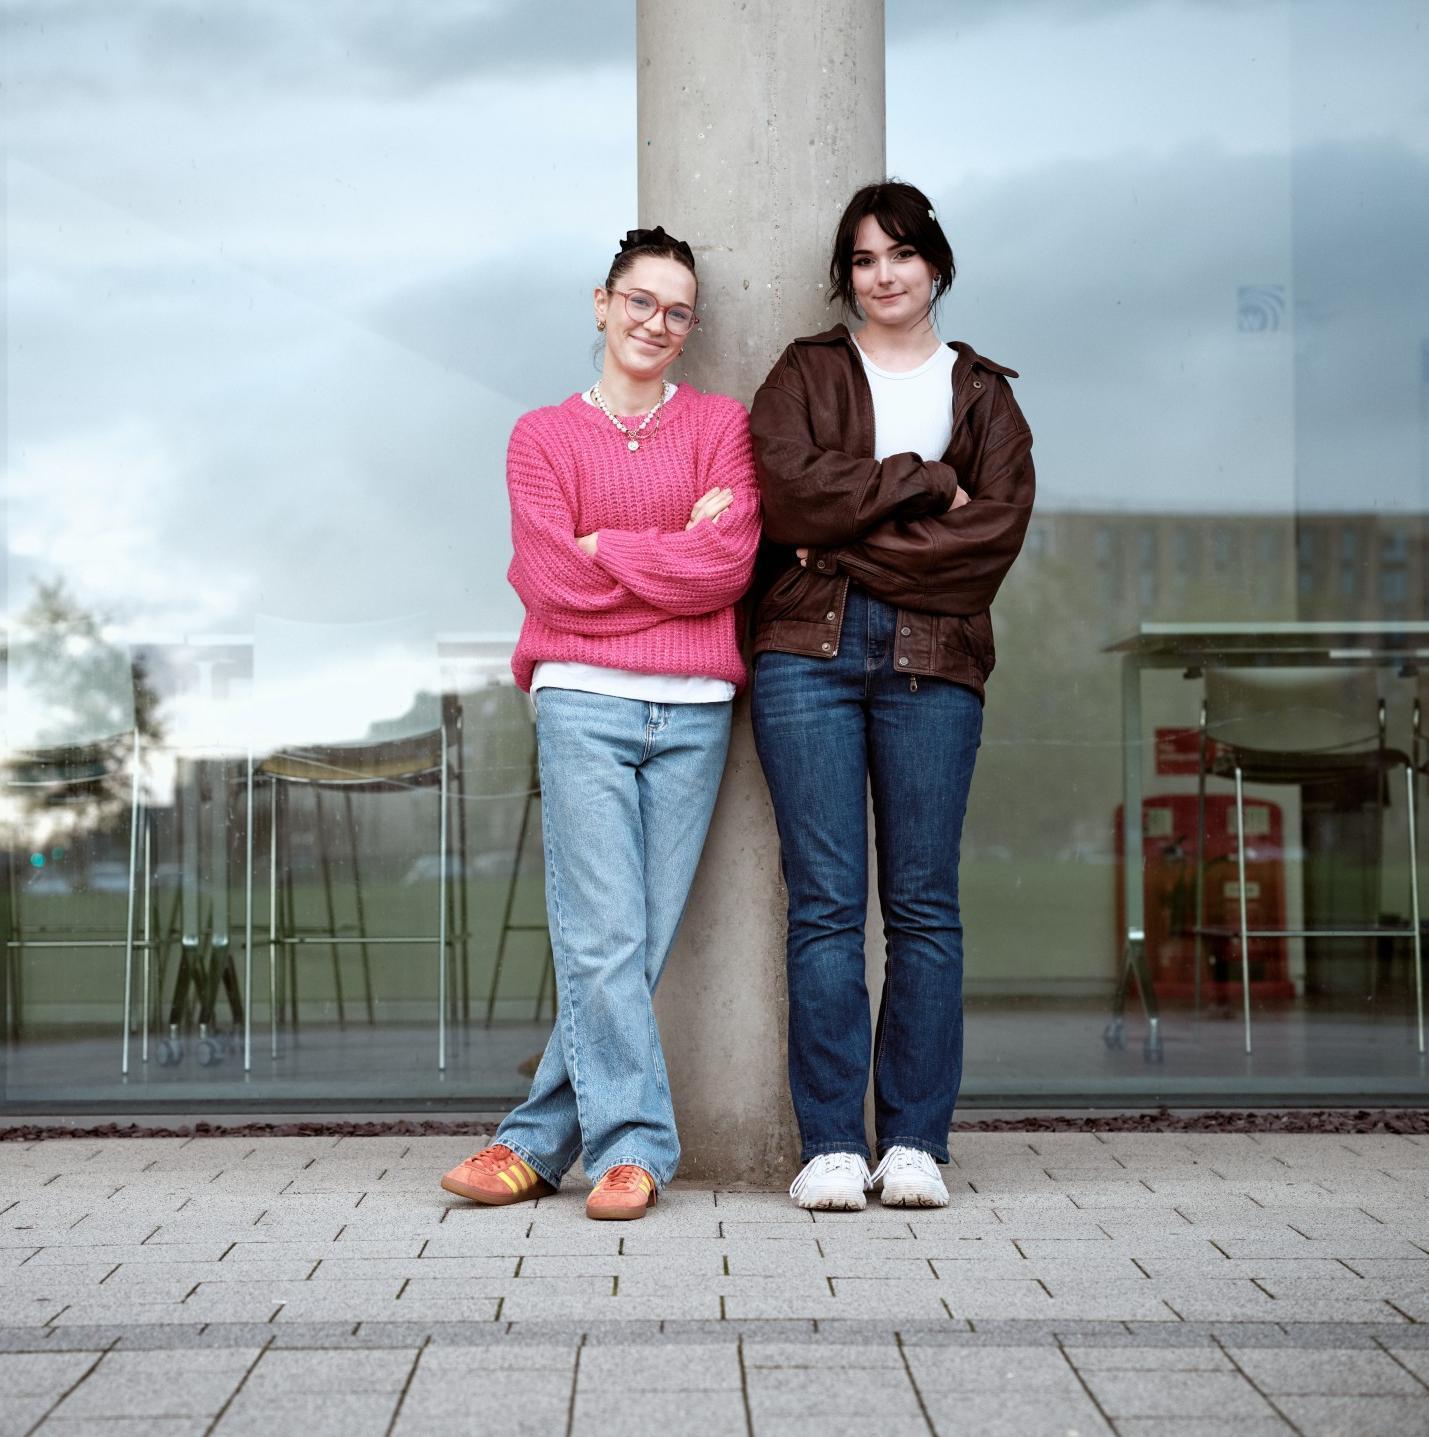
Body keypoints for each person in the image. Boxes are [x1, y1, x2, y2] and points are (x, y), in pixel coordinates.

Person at [439, 226, 760, 1221]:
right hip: (580, 700)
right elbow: (548, 580)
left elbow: (732, 566)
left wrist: (606, 544)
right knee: (602, 938)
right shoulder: (541, 436)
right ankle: (634, 1148)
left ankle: (533, 1141)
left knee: (631, 942)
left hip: (698, 713)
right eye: (639, 301)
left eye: (676, 310)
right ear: (601, 302)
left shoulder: (719, 425)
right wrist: (669, 554)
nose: (656, 323)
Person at [748, 180, 1034, 1211]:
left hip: (935, 660)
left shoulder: (988, 395)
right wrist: (918, 483)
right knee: (824, 908)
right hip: (804, 657)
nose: (884, 275)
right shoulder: (803, 372)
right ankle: (830, 1142)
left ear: (936, 266)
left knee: (921, 906)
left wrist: (839, 544)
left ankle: (914, 1140)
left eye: (902, 255)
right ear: (847, 276)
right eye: (865, 260)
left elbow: (984, 546)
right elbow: (787, 499)